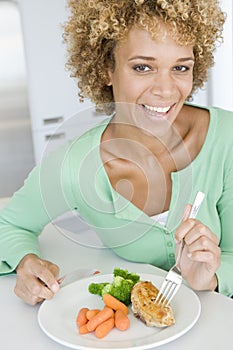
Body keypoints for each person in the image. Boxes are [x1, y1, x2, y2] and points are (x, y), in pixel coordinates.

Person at [0, 0, 232, 306]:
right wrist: (26, 263)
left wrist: (211, 278)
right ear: (107, 69)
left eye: (180, 67)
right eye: (142, 67)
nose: (165, 90)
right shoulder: (76, 165)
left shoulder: (226, 139)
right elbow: (10, 225)